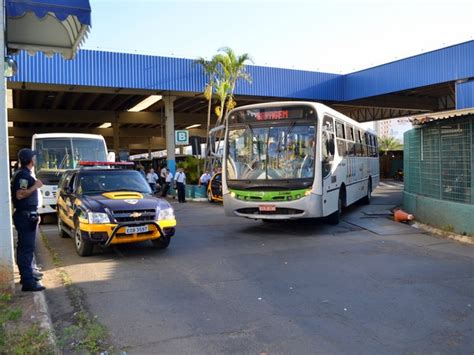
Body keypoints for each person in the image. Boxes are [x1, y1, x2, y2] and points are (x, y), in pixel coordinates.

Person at [10, 148, 45, 292]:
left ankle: (27, 276)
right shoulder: (23, 176)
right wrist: (35, 186)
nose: (35, 159)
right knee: (26, 249)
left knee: (25, 248)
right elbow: (19, 195)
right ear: (30, 160)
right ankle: (28, 282)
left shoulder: (21, 173)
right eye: (34, 157)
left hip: (26, 215)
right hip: (24, 216)